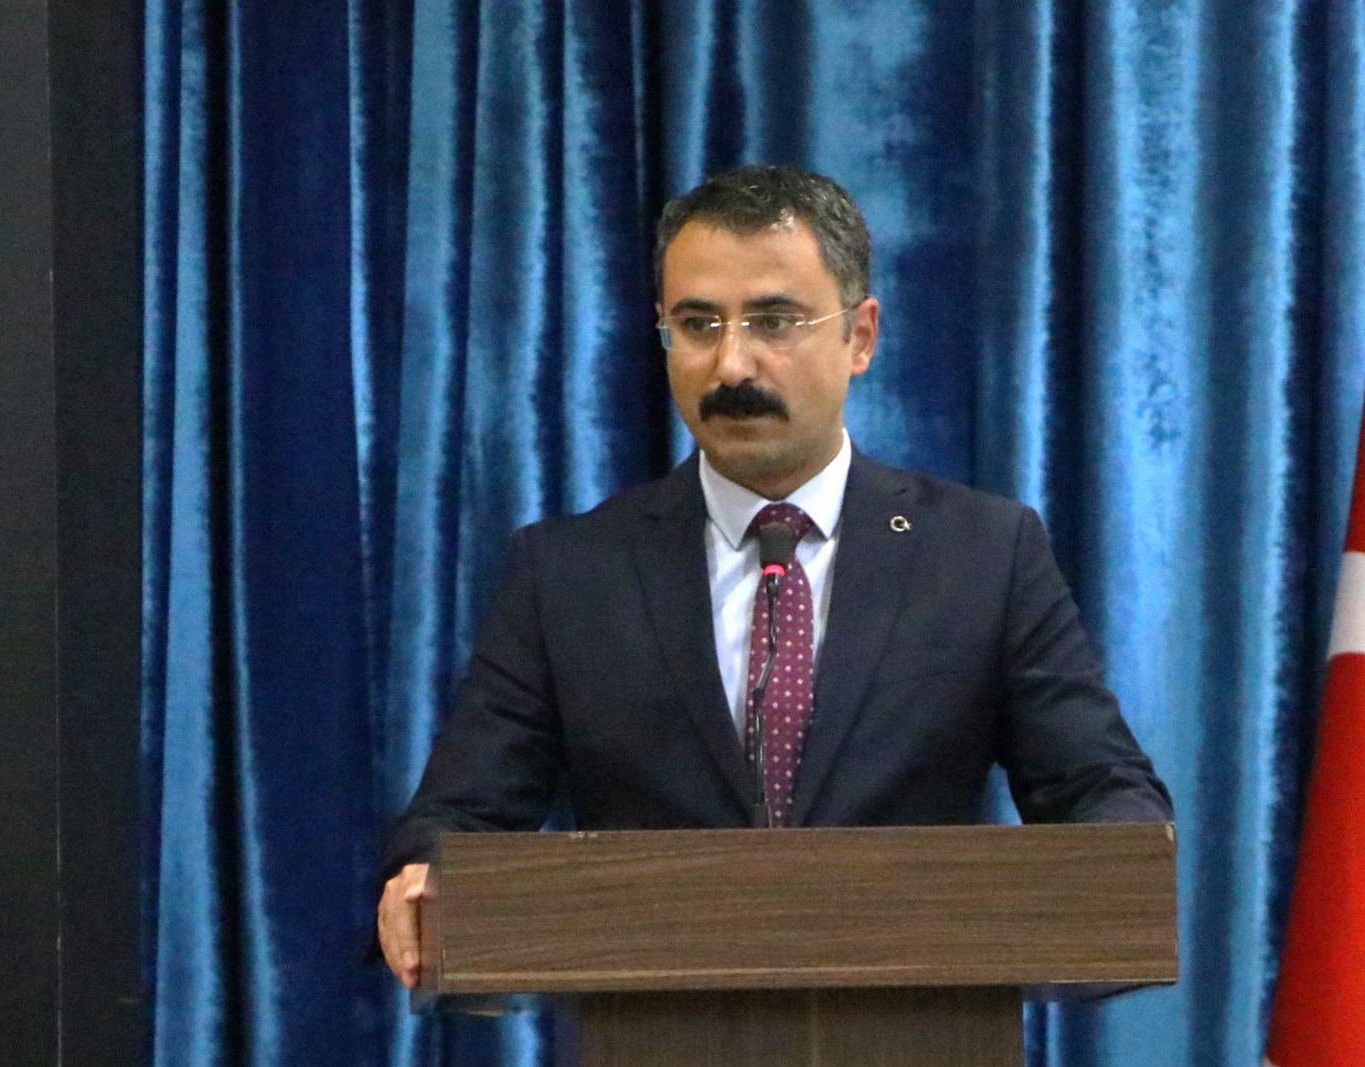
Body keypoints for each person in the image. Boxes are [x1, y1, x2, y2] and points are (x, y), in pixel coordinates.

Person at [376, 164, 1168, 987]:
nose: (731, 366)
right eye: (697, 324)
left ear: (860, 337)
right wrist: (427, 879)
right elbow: (455, 820)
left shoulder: (983, 555)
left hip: (916, 1049)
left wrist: (1120, 868)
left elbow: (1101, 787)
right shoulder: (569, 575)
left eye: (774, 322)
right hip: (657, 1053)